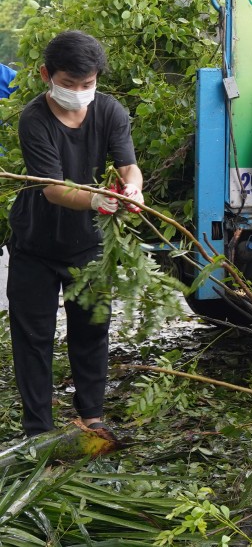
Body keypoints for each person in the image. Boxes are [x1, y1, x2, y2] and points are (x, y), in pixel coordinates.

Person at [6, 30, 144, 437]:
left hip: (90, 244)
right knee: (34, 337)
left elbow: (127, 164)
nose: (80, 93)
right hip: (36, 244)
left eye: (88, 85)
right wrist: (100, 201)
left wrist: (131, 187)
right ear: (47, 75)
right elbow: (52, 188)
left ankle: (92, 415)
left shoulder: (110, 111)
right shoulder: (35, 118)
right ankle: (39, 430)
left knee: (92, 329)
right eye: (69, 85)